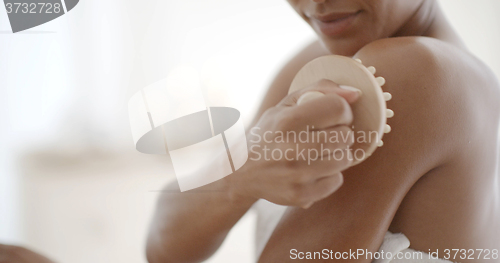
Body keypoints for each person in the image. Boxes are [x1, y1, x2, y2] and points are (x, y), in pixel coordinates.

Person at [146, 0, 500, 262]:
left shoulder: (409, 71)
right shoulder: (320, 60)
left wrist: (238, 177)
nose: (316, 4)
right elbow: (164, 242)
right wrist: (240, 177)